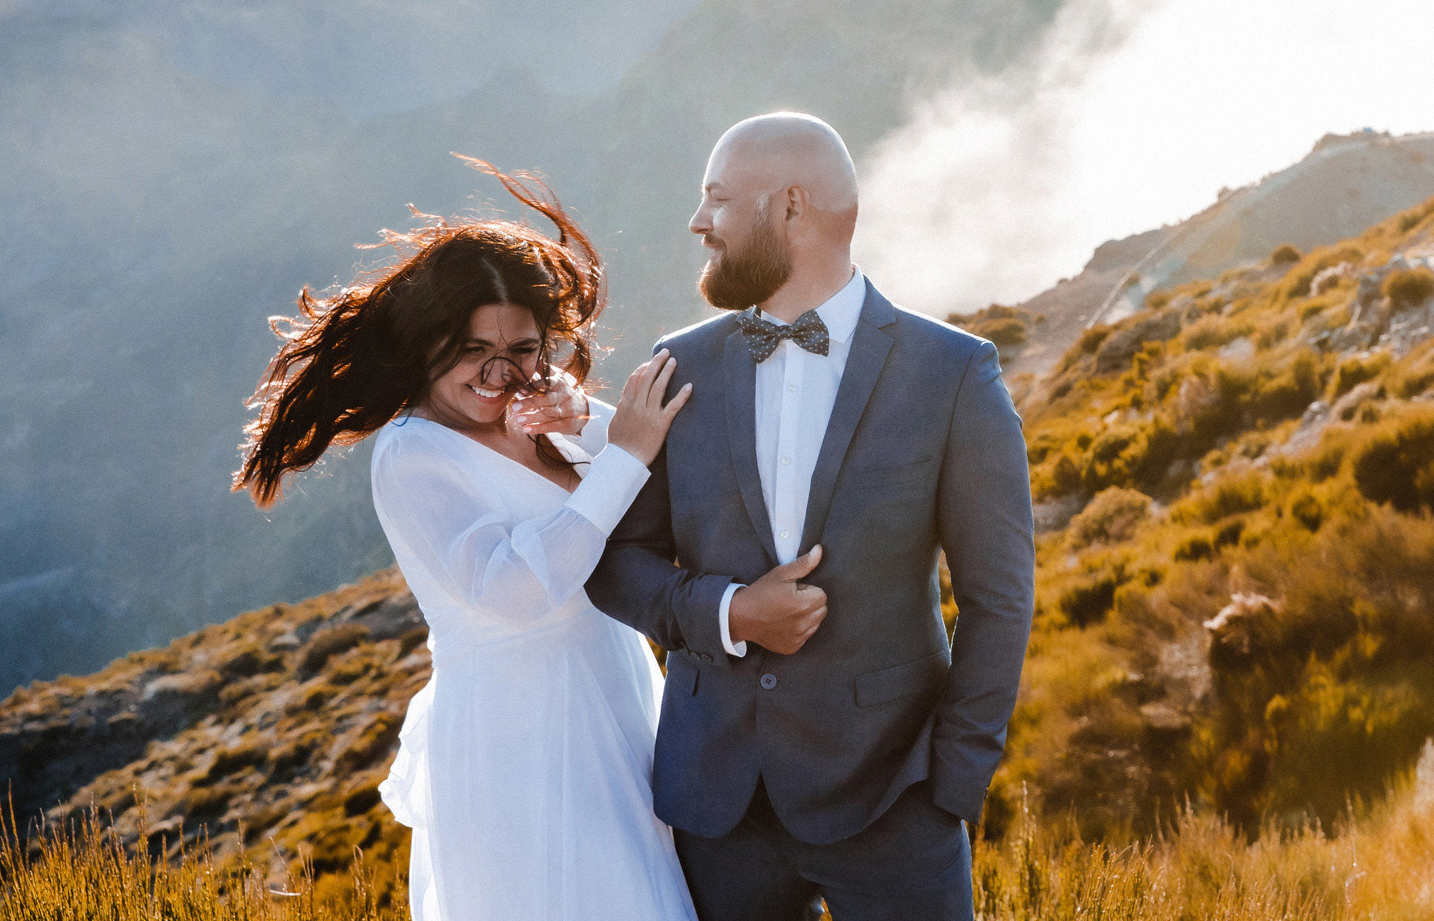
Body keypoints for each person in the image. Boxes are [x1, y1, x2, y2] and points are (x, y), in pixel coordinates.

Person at [587, 113, 1036, 921]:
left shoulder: (954, 375)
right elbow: (619, 560)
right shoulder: (677, 365)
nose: (697, 222)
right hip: (715, 810)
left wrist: (951, 786)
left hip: (895, 803)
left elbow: (999, 598)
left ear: (790, 208)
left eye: (717, 200)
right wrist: (728, 612)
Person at [235, 161, 699, 921]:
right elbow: (515, 589)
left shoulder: (546, 417)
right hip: (519, 745)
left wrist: (585, 416)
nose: (499, 371)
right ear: (426, 344)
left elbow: (674, 462)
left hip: (617, 711)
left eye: (522, 348)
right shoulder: (414, 454)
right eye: (471, 346)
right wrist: (623, 458)